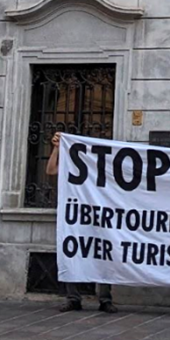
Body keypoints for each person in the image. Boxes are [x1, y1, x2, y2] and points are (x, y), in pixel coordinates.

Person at [47, 132, 118, 314]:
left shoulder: (107, 167)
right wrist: (56, 149)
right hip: (76, 217)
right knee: (72, 253)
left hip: (101, 218)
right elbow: (51, 170)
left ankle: (105, 299)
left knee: (103, 255)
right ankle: (73, 298)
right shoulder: (73, 166)